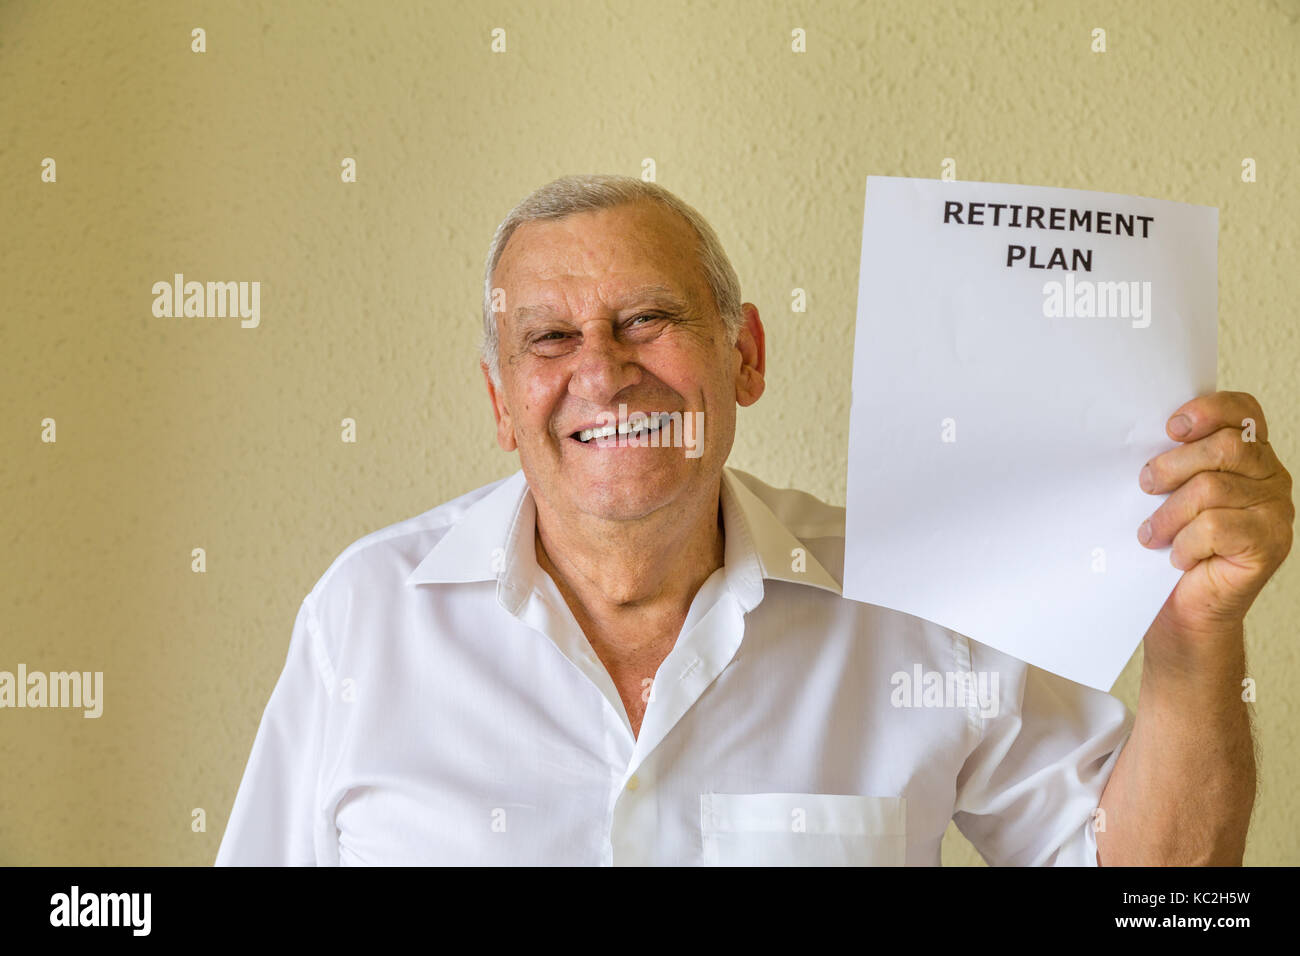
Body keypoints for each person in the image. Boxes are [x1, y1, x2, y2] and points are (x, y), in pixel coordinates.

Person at [215, 174, 1292, 866]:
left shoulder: (909, 594)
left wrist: (1194, 637)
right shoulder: (363, 615)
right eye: (547, 339)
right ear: (500, 402)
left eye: (647, 318)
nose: (602, 370)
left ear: (746, 356)